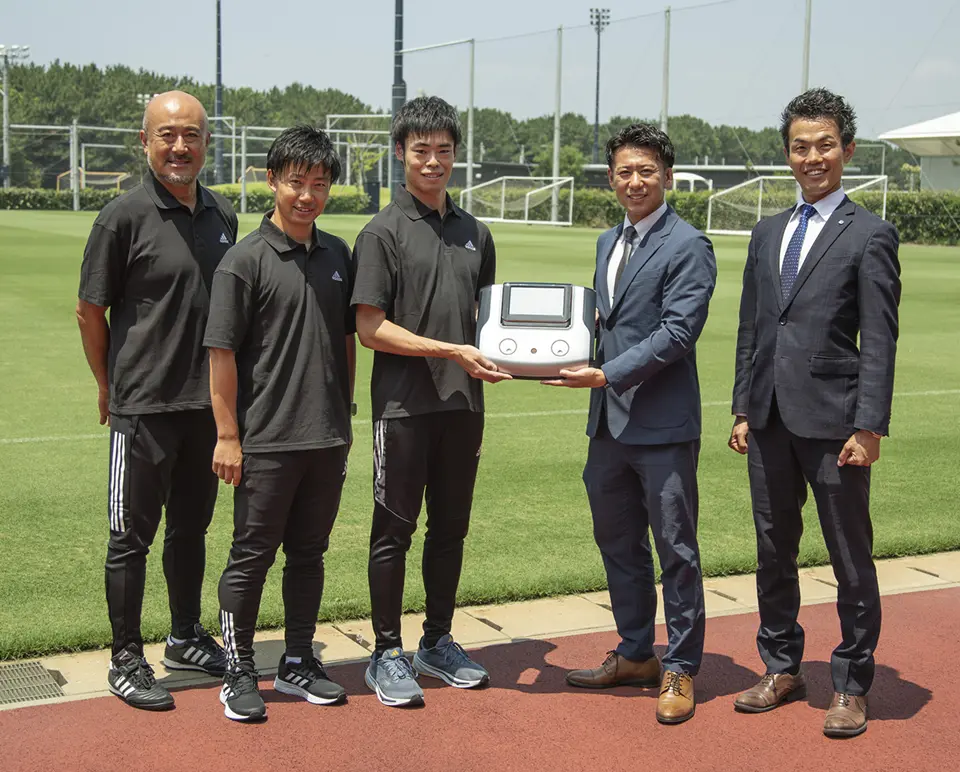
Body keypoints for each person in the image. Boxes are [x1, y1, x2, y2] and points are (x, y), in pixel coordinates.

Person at [729, 88, 901, 738]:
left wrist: (869, 426)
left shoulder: (870, 235)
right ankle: (782, 665)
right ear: (788, 154)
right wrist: (743, 407)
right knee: (773, 551)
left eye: (825, 144)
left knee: (849, 557)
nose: (812, 156)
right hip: (768, 419)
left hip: (836, 426)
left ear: (847, 150)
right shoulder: (768, 232)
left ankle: (853, 683)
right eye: (801, 146)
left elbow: (880, 340)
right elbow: (753, 327)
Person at [546, 124, 716, 725]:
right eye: (623, 171)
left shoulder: (689, 244)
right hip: (608, 428)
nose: (634, 181)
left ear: (666, 176)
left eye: (646, 170)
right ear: (611, 177)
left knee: (676, 550)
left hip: (662, 425)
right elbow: (604, 320)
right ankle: (637, 651)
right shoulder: (606, 241)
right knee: (617, 544)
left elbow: (677, 332)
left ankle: (681, 666)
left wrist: (606, 373)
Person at [76, 91, 235, 711]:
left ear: (205, 144)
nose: (179, 146)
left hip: (206, 408)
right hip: (142, 406)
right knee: (130, 537)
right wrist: (107, 386)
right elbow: (91, 310)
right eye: (166, 135)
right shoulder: (122, 217)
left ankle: (185, 634)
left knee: (191, 529)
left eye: (190, 135)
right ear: (145, 143)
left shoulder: (222, 215)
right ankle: (124, 657)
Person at [351, 95, 510, 708]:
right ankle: (386, 651)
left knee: (451, 530)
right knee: (393, 531)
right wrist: (451, 351)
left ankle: (437, 641)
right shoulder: (381, 233)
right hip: (403, 408)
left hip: (463, 406)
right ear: (400, 153)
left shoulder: (477, 233)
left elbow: (489, 319)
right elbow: (371, 328)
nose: (434, 162)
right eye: (422, 151)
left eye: (444, 151)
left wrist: (519, 351)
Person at [203, 126, 356, 722]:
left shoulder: (338, 255)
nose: (307, 196)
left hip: (326, 438)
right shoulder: (242, 262)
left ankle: (297, 660)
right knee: (251, 556)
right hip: (264, 440)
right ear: (272, 181)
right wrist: (227, 435)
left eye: (319, 185)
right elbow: (220, 354)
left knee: (310, 555)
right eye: (296, 182)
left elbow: (346, 341)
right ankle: (238, 667)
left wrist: (342, 414)